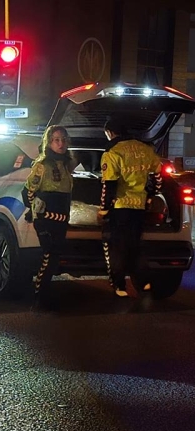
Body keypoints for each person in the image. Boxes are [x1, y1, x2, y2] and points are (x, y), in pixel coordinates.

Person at [98, 116, 162, 304]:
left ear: (110, 133)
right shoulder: (145, 149)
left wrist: (103, 210)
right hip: (139, 207)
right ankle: (144, 282)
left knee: (118, 248)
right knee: (135, 245)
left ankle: (120, 287)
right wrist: (150, 196)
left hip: (120, 208)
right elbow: (157, 177)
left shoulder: (113, 152)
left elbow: (109, 185)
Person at [22, 125, 73, 309]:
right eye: (56, 140)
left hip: (62, 217)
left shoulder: (66, 165)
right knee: (49, 255)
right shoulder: (42, 165)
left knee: (54, 256)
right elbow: (28, 192)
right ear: (49, 143)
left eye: (63, 140)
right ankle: (39, 296)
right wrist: (37, 212)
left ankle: (43, 294)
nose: (61, 144)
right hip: (46, 217)